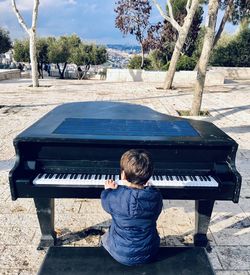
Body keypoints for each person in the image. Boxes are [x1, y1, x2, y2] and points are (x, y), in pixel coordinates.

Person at [101, 149, 163, 266]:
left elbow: (105, 203)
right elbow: (157, 212)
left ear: (123, 174)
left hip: (120, 253)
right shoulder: (155, 196)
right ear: (149, 176)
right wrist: (151, 189)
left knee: (105, 237)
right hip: (150, 252)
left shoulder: (114, 196)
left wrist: (108, 190)